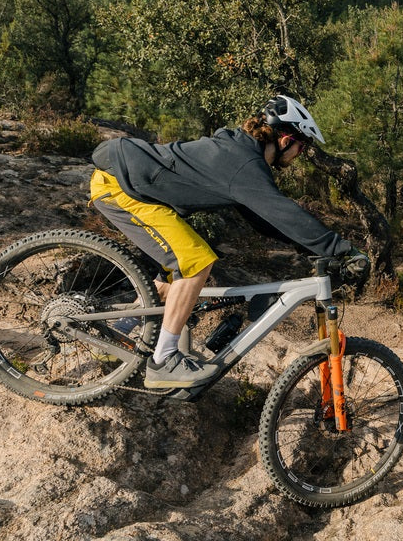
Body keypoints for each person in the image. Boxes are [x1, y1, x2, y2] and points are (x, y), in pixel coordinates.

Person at [88, 95, 370, 389]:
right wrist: (342, 249)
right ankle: (164, 361)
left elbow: (262, 219)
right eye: (303, 146)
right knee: (196, 263)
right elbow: (281, 211)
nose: (301, 153)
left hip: (130, 180)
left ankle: (114, 333)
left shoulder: (241, 152)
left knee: (178, 271)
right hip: (121, 185)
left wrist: (309, 247)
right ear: (286, 139)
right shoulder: (244, 162)